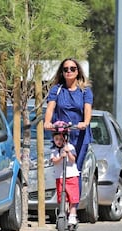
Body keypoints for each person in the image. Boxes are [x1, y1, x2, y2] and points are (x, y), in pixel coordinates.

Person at [44, 58, 93, 194]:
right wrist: (47, 122)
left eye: (72, 69)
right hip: (61, 135)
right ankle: (62, 205)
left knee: (74, 170)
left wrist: (85, 123)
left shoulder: (85, 91)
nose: (69, 71)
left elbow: (88, 109)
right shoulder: (57, 90)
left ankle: (73, 210)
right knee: (60, 169)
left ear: (78, 71)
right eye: (66, 69)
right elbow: (50, 108)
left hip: (79, 136)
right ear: (62, 72)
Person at [50, 131, 79, 225]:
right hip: (60, 177)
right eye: (56, 139)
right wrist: (61, 157)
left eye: (60, 139)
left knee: (73, 197)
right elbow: (54, 161)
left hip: (71, 176)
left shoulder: (70, 147)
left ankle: (72, 216)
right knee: (62, 197)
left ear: (65, 139)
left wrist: (68, 152)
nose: (58, 141)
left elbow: (73, 160)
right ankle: (63, 212)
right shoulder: (54, 150)